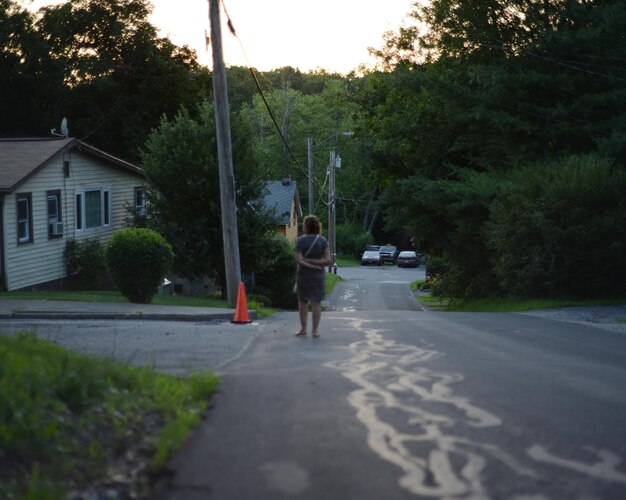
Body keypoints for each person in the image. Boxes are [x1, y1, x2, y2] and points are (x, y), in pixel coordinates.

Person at [295, 215, 331, 338]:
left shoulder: (300, 241)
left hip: (303, 275)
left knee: (303, 302)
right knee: (316, 303)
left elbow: (300, 260)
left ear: (305, 227)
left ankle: (303, 329)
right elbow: (328, 260)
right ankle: (315, 330)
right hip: (318, 276)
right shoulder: (322, 241)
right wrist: (316, 264)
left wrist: (309, 263)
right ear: (317, 226)